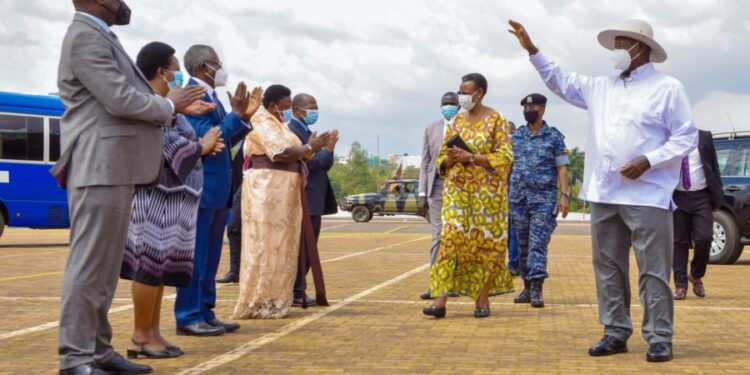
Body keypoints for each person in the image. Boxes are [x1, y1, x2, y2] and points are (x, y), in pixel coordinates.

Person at [509, 19, 698, 362]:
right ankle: (615, 331)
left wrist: (649, 160)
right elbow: (560, 81)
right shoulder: (600, 87)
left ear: (642, 49)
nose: (618, 51)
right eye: (616, 45)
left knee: (653, 270)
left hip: (647, 195)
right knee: (608, 267)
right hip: (606, 193)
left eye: (624, 44)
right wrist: (533, 51)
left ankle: (659, 337)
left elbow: (685, 136)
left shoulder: (667, 88)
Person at [54, 2, 210, 374]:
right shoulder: (84, 38)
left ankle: (98, 351)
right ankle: (75, 358)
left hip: (116, 167)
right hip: (99, 166)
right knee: (89, 267)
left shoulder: (101, 36)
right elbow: (120, 98)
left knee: (105, 271)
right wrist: (168, 105)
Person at [121, 41, 229, 359]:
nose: (179, 78)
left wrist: (198, 141)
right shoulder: (147, 105)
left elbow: (185, 139)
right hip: (155, 201)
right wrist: (203, 146)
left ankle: (154, 333)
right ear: (161, 72)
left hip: (174, 204)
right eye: (175, 72)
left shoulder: (167, 108)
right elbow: (172, 149)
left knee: (160, 272)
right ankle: (141, 335)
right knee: (147, 269)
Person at [174, 44, 259, 337]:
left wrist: (243, 119)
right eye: (216, 63)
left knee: (210, 257)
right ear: (202, 67)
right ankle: (188, 315)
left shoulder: (211, 96)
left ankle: (206, 311)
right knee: (195, 257)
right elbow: (205, 138)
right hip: (200, 186)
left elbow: (225, 138)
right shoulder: (192, 96)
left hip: (217, 188)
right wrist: (235, 116)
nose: (221, 67)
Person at [233, 85, 331, 319]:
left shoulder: (279, 124)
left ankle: (277, 298)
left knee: (281, 246)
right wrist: (310, 148)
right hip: (267, 192)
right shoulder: (261, 121)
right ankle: (259, 300)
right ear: (272, 105)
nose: (287, 112)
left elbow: (295, 152)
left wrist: (309, 149)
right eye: (286, 107)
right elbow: (280, 153)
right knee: (265, 246)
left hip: (284, 193)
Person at [422, 73, 514, 319]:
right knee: (449, 241)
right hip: (457, 193)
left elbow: (505, 157)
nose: (461, 96)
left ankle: (482, 301)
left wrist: (472, 158)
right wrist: (449, 159)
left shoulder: (497, 119)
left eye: (466, 91)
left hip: (487, 198)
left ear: (480, 93)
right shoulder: (456, 122)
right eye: (459, 90)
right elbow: (441, 158)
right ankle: (440, 301)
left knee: (485, 247)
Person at [510, 93, 570, 308]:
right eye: (525, 107)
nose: (528, 110)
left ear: (542, 109)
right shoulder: (516, 136)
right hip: (518, 198)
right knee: (523, 244)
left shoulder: (553, 137)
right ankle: (526, 287)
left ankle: (537, 288)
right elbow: (508, 166)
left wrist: (565, 195)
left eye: (532, 107)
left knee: (537, 243)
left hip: (543, 199)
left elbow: (562, 167)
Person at [288, 93, 340, 307]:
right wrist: (324, 150)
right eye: (311, 106)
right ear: (297, 109)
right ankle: (296, 291)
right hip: (305, 195)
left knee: (309, 247)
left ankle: (299, 289)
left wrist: (329, 150)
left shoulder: (307, 131)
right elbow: (304, 163)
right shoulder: (293, 131)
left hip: (315, 197)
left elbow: (323, 164)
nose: (314, 110)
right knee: (302, 248)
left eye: (316, 106)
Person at [418, 91, 459, 300]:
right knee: (439, 236)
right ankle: (436, 282)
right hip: (437, 187)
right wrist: (422, 193)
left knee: (457, 236)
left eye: (452, 103)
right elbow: (425, 162)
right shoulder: (430, 128)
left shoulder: (466, 126)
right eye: (445, 103)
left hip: (461, 187)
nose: (449, 106)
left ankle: (453, 282)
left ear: (459, 106)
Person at [672, 130, 723, 300]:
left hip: (702, 196)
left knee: (705, 238)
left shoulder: (704, 137)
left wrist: (717, 197)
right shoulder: (670, 138)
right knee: (679, 242)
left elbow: (714, 167)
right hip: (677, 196)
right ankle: (680, 286)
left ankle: (696, 275)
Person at [216, 108, 253, 285]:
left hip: (262, 184)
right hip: (243, 184)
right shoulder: (244, 132)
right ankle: (235, 270)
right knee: (234, 227)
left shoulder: (274, 130)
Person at [506, 121, 520, 277]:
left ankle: (514, 263)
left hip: (515, 193)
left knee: (514, 230)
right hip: (500, 192)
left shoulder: (518, 147)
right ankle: (514, 263)